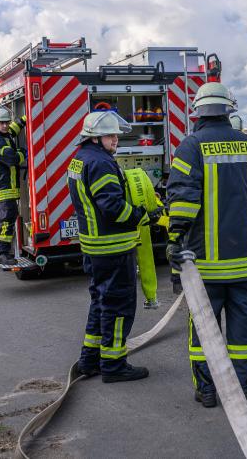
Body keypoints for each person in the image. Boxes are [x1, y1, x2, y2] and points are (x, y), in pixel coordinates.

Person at [165, 82, 247, 408]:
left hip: (204, 265)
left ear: (198, 111)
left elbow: (182, 199)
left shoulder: (191, 147)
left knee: (204, 332)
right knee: (243, 333)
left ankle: (207, 391)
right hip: (244, 262)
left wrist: (176, 238)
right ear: (229, 110)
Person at [69, 111, 156, 383]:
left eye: (116, 134)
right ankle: (114, 364)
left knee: (101, 303)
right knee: (118, 307)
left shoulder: (80, 160)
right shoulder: (101, 163)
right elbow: (112, 207)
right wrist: (142, 215)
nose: (116, 139)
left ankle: (90, 360)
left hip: (94, 248)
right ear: (95, 138)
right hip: (112, 248)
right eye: (110, 135)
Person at [0, 106, 26, 265]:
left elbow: (12, 131)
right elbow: (12, 159)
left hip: (0, 184)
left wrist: (23, 120)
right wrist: (23, 152)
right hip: (2, 185)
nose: (5, 125)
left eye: (7, 122)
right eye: (1, 123)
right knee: (7, 217)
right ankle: (2, 253)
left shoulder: (1, 134)